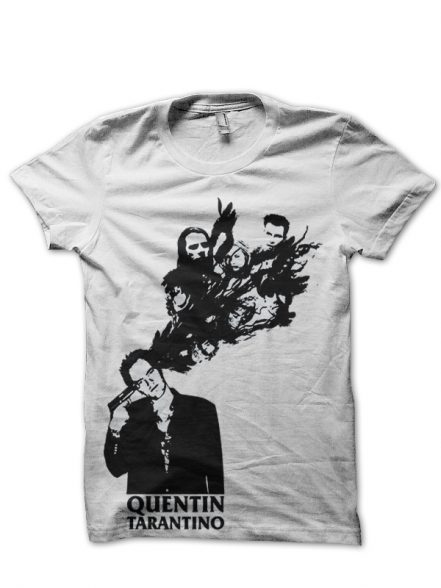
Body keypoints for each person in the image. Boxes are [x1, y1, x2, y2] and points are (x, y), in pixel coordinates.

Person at [104, 349, 224, 494]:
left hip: (192, 503)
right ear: (135, 389)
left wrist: (216, 505)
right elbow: (117, 469)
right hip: (145, 506)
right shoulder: (131, 416)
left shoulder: (201, 409)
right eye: (140, 382)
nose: (149, 382)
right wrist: (114, 430)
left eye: (150, 373)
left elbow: (214, 469)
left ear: (158, 369)